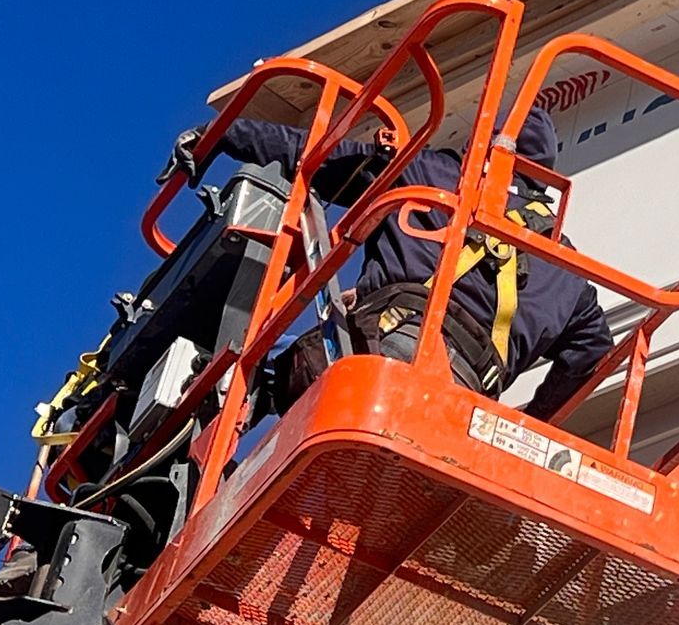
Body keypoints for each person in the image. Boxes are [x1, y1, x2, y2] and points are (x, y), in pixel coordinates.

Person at [173, 104, 613, 422]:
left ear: (481, 146)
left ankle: (217, 409)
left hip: (378, 363)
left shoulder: (430, 174)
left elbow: (315, 154)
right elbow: (593, 352)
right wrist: (530, 421)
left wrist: (223, 134)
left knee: (257, 365)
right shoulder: (568, 268)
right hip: (459, 413)